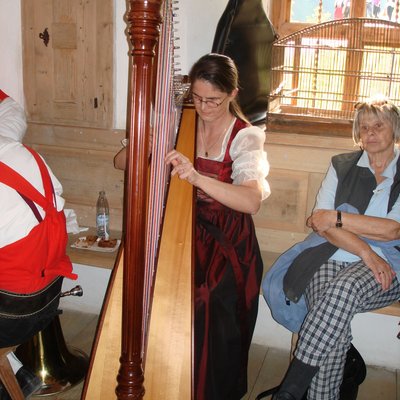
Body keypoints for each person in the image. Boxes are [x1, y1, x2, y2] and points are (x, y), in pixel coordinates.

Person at [263, 95, 400, 400]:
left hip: (388, 267)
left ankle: (291, 388)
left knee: (341, 293)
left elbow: (392, 230)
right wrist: (365, 250)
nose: (371, 133)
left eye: (379, 125)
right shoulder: (341, 165)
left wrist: (339, 218)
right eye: (364, 128)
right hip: (328, 256)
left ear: (394, 129)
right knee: (334, 327)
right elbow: (320, 225)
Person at [165, 53, 270, 400]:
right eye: (196, 97)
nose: (204, 106)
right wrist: (148, 140)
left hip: (227, 242)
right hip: (182, 231)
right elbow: (123, 161)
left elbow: (250, 201)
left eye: (213, 99)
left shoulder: (245, 137)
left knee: (205, 298)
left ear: (233, 94)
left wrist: (196, 177)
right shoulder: (180, 122)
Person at [0, 90, 77, 398]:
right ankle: (18, 374)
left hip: (12, 315)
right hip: (49, 297)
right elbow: (12, 112)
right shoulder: (20, 151)